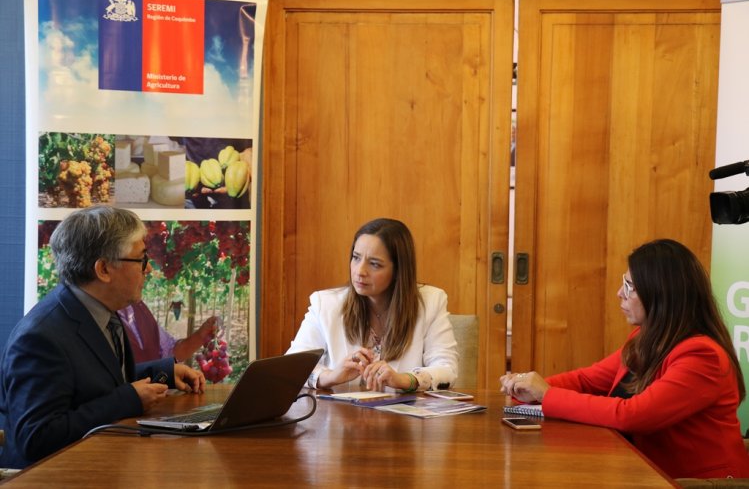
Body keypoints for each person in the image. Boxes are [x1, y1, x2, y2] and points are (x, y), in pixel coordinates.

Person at [500, 239, 749, 480]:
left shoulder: (702, 357)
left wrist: (546, 394)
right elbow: (587, 380)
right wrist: (526, 387)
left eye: (630, 286)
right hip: (649, 473)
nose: (620, 293)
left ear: (661, 294)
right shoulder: (647, 338)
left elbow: (634, 415)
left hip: (698, 483)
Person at [0, 205, 205, 469]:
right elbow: (37, 437)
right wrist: (128, 400)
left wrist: (162, 371)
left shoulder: (97, 309)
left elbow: (93, 378)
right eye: (141, 259)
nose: (149, 270)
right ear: (104, 269)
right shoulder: (39, 338)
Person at [286, 218, 458, 392]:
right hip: (341, 416)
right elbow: (291, 368)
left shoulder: (431, 302)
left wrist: (406, 380)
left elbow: (447, 369)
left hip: (403, 418)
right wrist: (331, 376)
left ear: (399, 270)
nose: (360, 271)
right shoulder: (325, 304)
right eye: (356, 257)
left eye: (375, 264)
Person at [117, 300, 218, 363]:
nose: (148, 269)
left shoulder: (138, 307)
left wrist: (201, 335)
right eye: (141, 264)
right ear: (104, 270)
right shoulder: (103, 321)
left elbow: (170, 351)